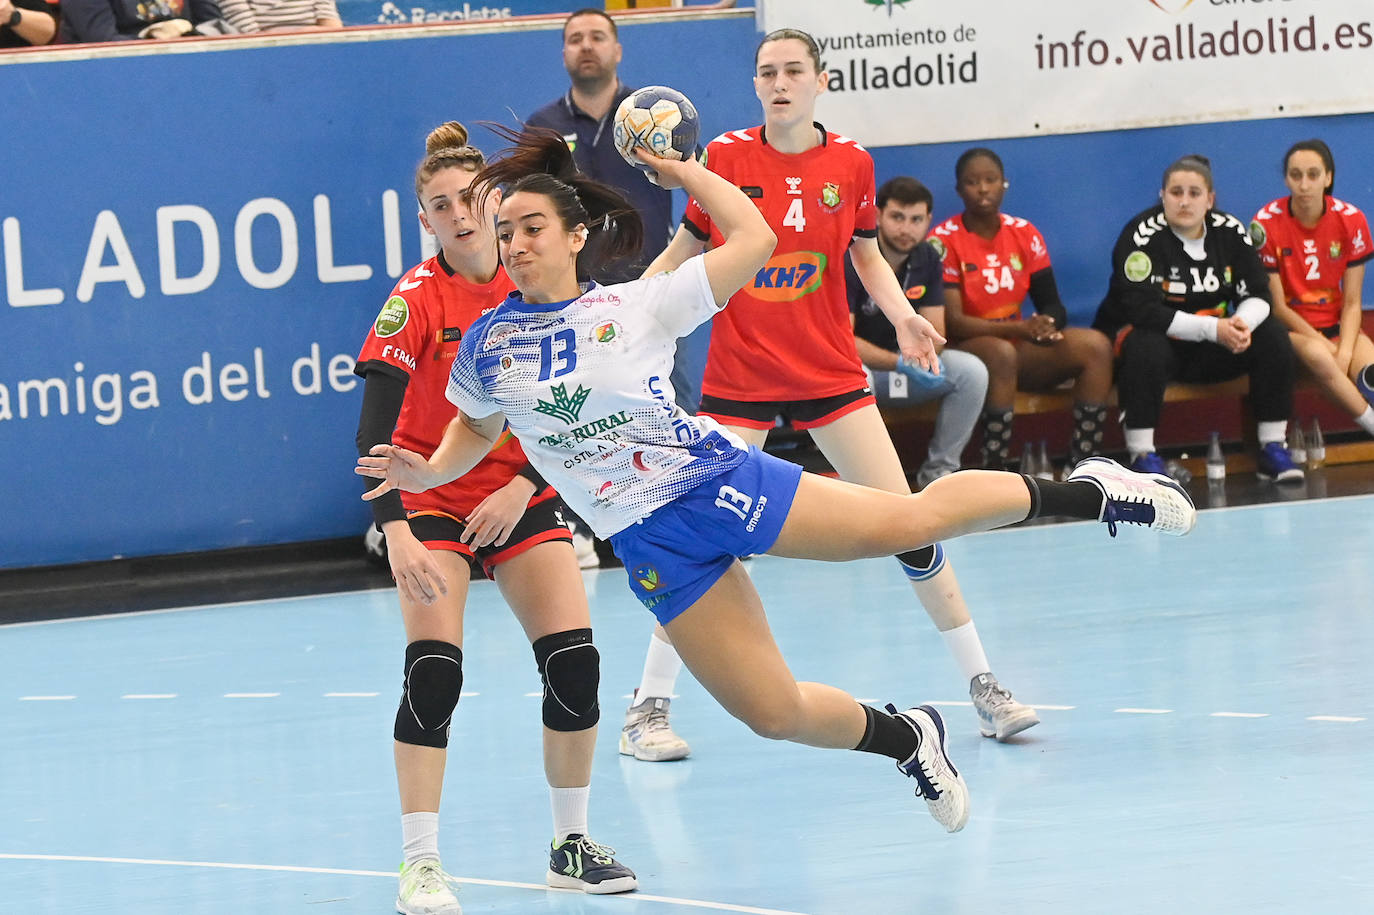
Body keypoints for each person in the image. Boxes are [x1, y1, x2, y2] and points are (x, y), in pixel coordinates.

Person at [354, 125, 1196, 850]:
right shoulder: (491, 343)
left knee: (905, 520)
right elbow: (477, 430)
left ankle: (1094, 490)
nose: (514, 241)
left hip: (715, 483)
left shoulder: (636, 306)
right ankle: (908, 735)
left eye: (531, 225)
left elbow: (754, 237)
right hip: (648, 542)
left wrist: (682, 173)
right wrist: (426, 471)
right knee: (771, 710)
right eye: (505, 231)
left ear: (577, 236)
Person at [644, 29, 1040, 743]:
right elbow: (687, 250)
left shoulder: (852, 163)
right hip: (741, 379)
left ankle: (985, 684)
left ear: (821, 81)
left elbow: (866, 258)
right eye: (767, 72)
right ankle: (650, 707)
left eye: (794, 70)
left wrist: (905, 318)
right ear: (756, 84)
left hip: (830, 373)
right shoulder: (727, 158)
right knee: (699, 543)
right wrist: (622, 312)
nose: (780, 81)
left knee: (911, 522)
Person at [353, 122, 635, 915]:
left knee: (576, 666)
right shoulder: (417, 299)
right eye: (439, 206)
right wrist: (398, 527)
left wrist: (524, 486)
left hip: (518, 491)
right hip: (432, 500)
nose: (461, 216)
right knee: (434, 670)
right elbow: (373, 429)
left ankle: (570, 843)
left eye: (470, 200)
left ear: (496, 201)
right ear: (425, 221)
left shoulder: (533, 287)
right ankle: (421, 862)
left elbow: (569, 403)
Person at [527, 5, 697, 762]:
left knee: (670, 430)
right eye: (573, 37)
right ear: (563, 53)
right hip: (574, 312)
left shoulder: (652, 118)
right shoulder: (544, 129)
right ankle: (585, 527)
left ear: (618, 48)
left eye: (597, 34)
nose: (585, 46)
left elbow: (692, 209)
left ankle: (675, 540)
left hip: (646, 299)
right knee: (570, 420)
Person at [1093, 154, 1304, 483]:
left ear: (1210, 199)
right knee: (1144, 343)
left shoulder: (1230, 230)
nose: (1185, 201)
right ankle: (1143, 455)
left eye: (1194, 193)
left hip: (1213, 344)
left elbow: (1260, 295)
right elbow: (1142, 311)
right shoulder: (1139, 236)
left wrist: (1241, 325)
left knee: (1273, 335)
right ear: (1162, 196)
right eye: (1176, 193)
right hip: (1158, 347)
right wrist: (1213, 328)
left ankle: (1273, 448)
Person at [931, 148, 1115, 474]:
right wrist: (1020, 330)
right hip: (971, 350)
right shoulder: (944, 240)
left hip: (1018, 346)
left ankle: (1083, 465)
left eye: (990, 180)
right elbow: (953, 324)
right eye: (973, 182)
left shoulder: (1024, 233)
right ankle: (995, 470)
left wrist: (1048, 324)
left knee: (1096, 346)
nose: (983, 189)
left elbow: (1053, 305)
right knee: (1002, 353)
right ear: (959, 190)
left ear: (1004, 184)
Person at [845, 175, 989, 489]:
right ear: (878, 216)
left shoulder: (928, 258)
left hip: (912, 369)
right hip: (867, 371)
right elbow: (845, 341)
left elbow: (935, 332)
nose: (906, 229)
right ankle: (865, 484)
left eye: (916, 220)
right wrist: (897, 362)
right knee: (859, 380)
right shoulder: (853, 256)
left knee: (971, 372)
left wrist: (918, 360)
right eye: (897, 217)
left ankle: (939, 475)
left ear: (928, 221)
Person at [1252, 139, 1374, 438]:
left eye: (1313, 174)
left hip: (1338, 325)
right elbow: (1278, 307)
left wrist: (1344, 352)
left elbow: (1353, 301)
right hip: (1292, 331)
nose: (1304, 184)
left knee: (1370, 372)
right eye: (1296, 175)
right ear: (1286, 179)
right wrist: (1330, 350)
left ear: (1328, 177)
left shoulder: (1351, 219)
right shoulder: (1265, 224)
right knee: (1321, 357)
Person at [59, 0, 224, 41]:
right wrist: (157, 40)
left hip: (190, 65)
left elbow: (213, 25)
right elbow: (102, 44)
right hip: (118, 77)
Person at [216, 0, 339, 33]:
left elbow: (334, 31)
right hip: (262, 62)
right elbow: (251, 40)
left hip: (317, 54)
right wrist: (304, 33)